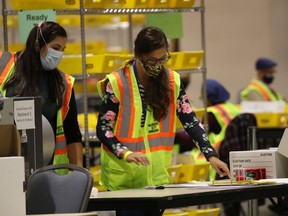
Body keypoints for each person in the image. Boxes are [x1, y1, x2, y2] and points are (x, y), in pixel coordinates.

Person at [96, 27, 230, 196]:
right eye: (152, 61)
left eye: (162, 59)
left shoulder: (172, 81)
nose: (158, 66)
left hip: (157, 179)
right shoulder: (117, 82)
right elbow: (103, 128)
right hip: (124, 180)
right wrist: (125, 153)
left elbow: (191, 121)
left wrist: (211, 155)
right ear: (138, 55)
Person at [0, 21, 83, 168]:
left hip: (47, 166)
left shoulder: (64, 83)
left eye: (62, 50)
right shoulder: (3, 64)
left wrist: (79, 174)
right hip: (6, 161)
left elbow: (73, 134)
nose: (59, 55)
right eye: (55, 48)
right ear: (37, 45)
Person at [191, 79, 240, 181]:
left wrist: (177, 135)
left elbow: (199, 136)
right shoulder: (232, 107)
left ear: (209, 98)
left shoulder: (211, 113)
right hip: (236, 156)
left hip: (217, 158)